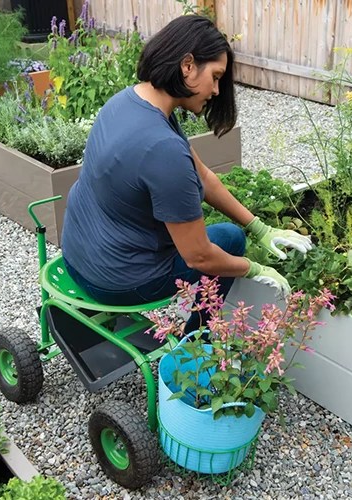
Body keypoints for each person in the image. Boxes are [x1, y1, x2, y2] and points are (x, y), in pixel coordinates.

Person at [61, 15, 311, 334]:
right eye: (216, 76)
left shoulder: (129, 101)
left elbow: (203, 176)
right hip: (118, 283)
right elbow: (199, 258)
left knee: (228, 232)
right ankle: (191, 337)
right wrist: (255, 268)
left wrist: (260, 228)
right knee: (229, 239)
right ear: (188, 65)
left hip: (77, 256)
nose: (217, 90)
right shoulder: (162, 148)